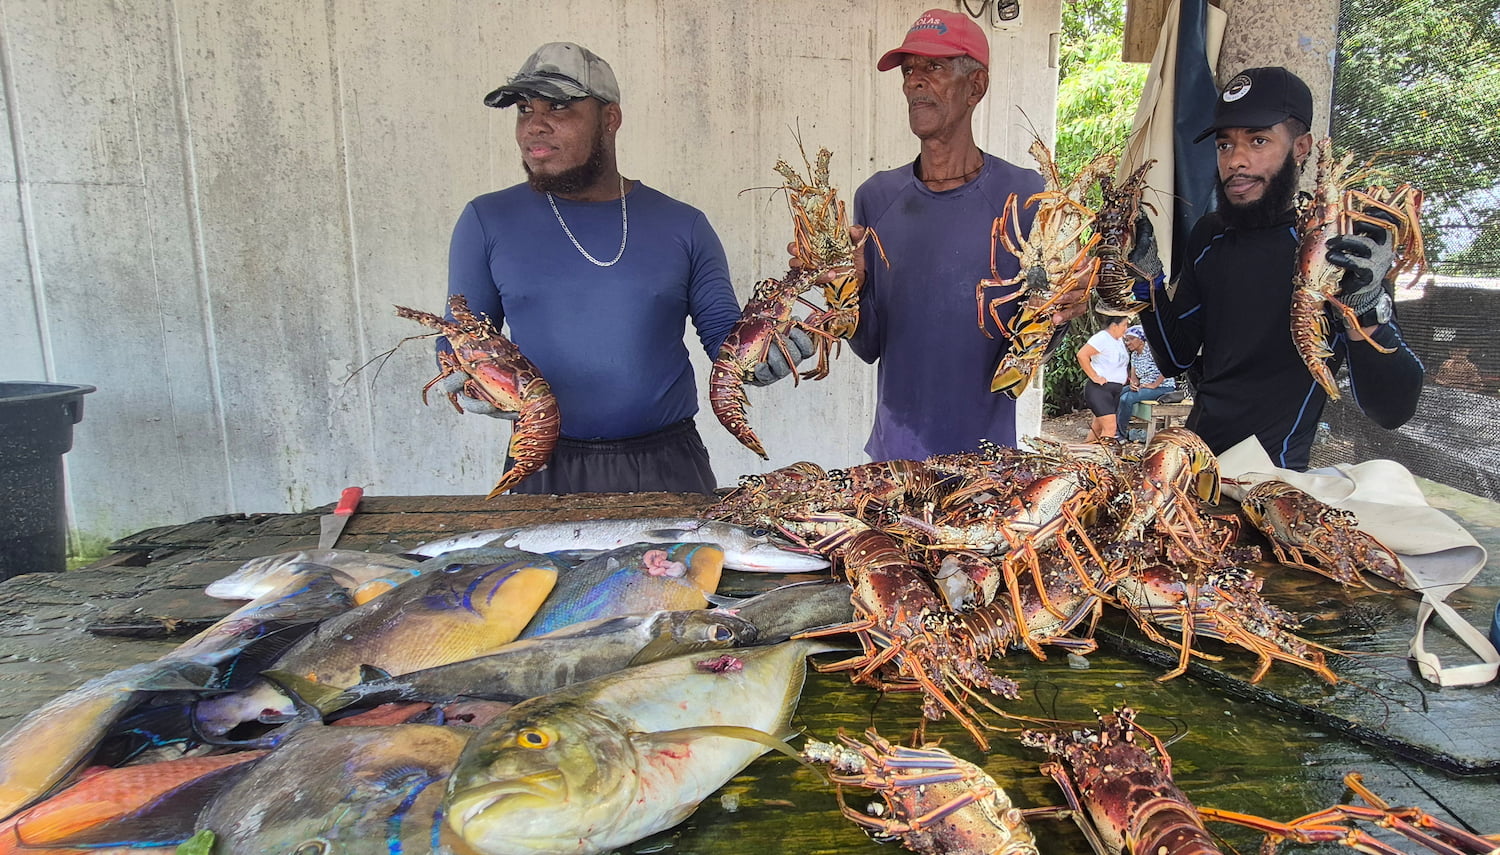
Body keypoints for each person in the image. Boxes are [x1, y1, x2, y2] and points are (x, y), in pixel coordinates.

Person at [442, 42, 808, 495]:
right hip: (542, 464)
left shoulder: (683, 224)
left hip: (668, 467)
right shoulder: (487, 220)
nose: (535, 125)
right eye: (523, 109)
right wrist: (467, 376)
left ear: (610, 119)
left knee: (690, 571)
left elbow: (723, 338)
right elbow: (460, 334)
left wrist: (767, 353)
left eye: (559, 106)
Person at [1133, 66, 1423, 471]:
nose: (1236, 160)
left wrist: (1367, 308)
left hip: (1276, 479)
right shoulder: (1209, 235)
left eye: (1258, 141)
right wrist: (1145, 280)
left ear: (1301, 147)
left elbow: (1392, 410)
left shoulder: (1340, 251)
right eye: (1224, 145)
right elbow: (1175, 358)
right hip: (1193, 466)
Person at [829, 9, 1086, 462]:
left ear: (976, 85)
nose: (914, 82)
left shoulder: (1027, 195)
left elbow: (1033, 347)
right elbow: (868, 345)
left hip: (986, 467)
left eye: (934, 66)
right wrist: (839, 290)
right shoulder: (876, 197)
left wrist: (1064, 306)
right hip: (894, 461)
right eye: (909, 71)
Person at [1115, 324, 1177, 441]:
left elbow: (1168, 368)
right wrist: (1133, 384)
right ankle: (1114, 428)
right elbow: (1134, 378)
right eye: (1126, 340)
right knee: (1118, 393)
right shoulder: (1134, 355)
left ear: (1142, 339)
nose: (1128, 343)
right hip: (1145, 386)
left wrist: (1154, 385)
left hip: (1163, 387)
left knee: (1126, 398)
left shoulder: (1153, 351)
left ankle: (1120, 434)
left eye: (1131, 339)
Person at [1076, 316, 1131, 442]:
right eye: (1124, 325)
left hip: (1115, 390)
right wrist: (1094, 376)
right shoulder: (1102, 338)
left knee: (1098, 428)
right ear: (1114, 326)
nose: (1126, 329)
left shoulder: (1119, 341)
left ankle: (1084, 454)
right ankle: (1105, 459)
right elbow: (1082, 355)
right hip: (1100, 390)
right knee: (1110, 428)